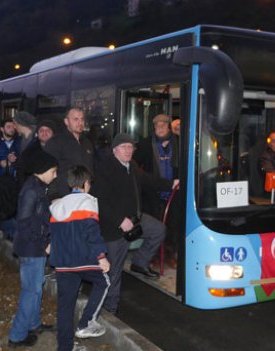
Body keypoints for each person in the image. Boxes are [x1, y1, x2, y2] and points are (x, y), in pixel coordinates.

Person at [92, 133, 177, 315]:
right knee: (113, 271)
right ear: (115, 150)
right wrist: (119, 220)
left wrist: (171, 184)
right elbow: (98, 200)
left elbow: (148, 180)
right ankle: (109, 308)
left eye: (130, 147)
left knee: (158, 230)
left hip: (136, 219)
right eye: (124, 147)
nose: (128, 150)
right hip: (114, 228)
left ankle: (139, 263)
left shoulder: (132, 166)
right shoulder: (106, 169)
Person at [49, 165, 111, 351]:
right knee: (105, 282)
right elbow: (92, 232)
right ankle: (86, 323)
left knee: (65, 306)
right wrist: (101, 256)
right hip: (83, 259)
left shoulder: (58, 205)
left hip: (62, 263)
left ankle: (65, 347)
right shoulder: (87, 201)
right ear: (85, 183)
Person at [7, 149, 58, 348]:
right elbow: (26, 222)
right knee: (30, 291)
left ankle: (34, 323)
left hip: (34, 247)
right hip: (32, 249)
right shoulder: (31, 190)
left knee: (36, 289)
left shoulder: (37, 187)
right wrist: (44, 244)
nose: (55, 175)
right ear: (43, 170)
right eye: (53, 171)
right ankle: (17, 335)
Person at [134, 114, 179, 218]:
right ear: (154, 127)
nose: (160, 128)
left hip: (175, 193)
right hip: (153, 194)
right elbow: (134, 164)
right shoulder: (145, 143)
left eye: (163, 125)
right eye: (158, 126)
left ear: (168, 126)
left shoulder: (179, 142)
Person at [44, 107, 95, 199]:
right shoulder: (56, 142)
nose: (80, 123)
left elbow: (91, 169)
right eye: (75, 119)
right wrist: (54, 197)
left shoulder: (87, 142)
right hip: (63, 196)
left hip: (85, 196)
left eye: (82, 119)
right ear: (66, 122)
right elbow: (48, 170)